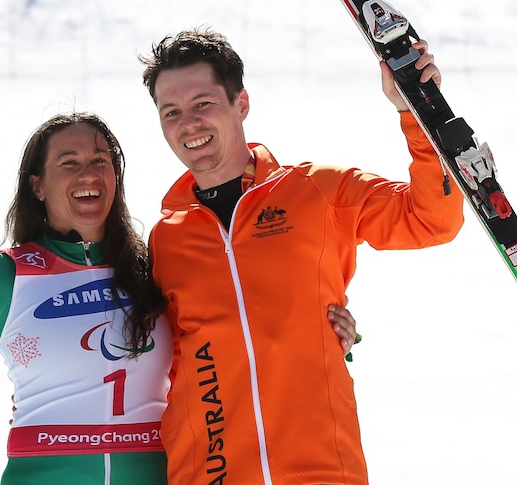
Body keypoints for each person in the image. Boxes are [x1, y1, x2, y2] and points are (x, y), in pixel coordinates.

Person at [0, 112, 360, 484]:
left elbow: (245, 321)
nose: (88, 173)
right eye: (69, 162)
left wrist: (332, 328)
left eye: (101, 161)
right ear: (37, 185)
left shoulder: (156, 267)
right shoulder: (6, 276)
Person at [138, 28, 464, 485]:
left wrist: (414, 110)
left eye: (203, 103)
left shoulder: (318, 191)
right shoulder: (164, 240)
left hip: (321, 470)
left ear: (241, 103)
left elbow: (431, 219)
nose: (187, 123)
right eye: (170, 111)